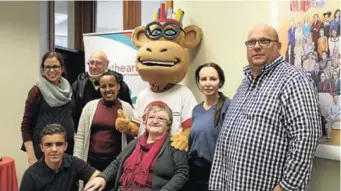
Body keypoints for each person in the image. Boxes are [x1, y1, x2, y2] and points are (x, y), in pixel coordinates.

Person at [209, 24, 321, 191]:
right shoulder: (245, 82)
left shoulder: (294, 80)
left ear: (278, 46)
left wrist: (286, 187)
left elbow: (306, 137)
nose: (256, 46)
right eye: (251, 42)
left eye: (264, 41)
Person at [83, 103, 189, 191]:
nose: (155, 121)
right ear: (145, 122)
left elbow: (182, 173)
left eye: (161, 118)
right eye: (151, 117)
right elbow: (116, 163)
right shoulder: (134, 143)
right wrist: (103, 177)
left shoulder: (175, 145)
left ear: (168, 125)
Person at [73, 71, 134, 190]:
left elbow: (132, 137)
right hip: (91, 165)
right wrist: (77, 162)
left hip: (115, 166)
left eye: (111, 85)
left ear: (118, 86)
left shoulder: (126, 108)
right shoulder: (89, 107)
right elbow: (80, 136)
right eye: (103, 86)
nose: (107, 89)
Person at [21, 51, 75, 166]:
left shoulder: (68, 90)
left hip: (67, 149)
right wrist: (31, 157)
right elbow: (26, 125)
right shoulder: (36, 92)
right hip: (43, 152)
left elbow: (71, 116)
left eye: (55, 66)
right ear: (43, 69)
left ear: (62, 68)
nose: (51, 70)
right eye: (48, 67)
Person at [185, 63, 230, 191]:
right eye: (203, 79)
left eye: (213, 79)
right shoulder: (196, 110)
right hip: (194, 170)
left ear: (220, 81)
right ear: (198, 82)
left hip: (216, 172)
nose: (208, 83)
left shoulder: (228, 106)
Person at [20, 124, 100, 191]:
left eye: (59, 144)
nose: (54, 149)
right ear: (41, 147)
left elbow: (98, 177)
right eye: (48, 145)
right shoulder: (30, 175)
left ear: (65, 146)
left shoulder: (74, 163)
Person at [72, 50, 132, 132]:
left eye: (98, 63)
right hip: (86, 133)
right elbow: (74, 112)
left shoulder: (120, 85)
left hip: (114, 133)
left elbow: (128, 113)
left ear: (106, 64)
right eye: (91, 63)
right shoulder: (78, 85)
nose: (93, 66)